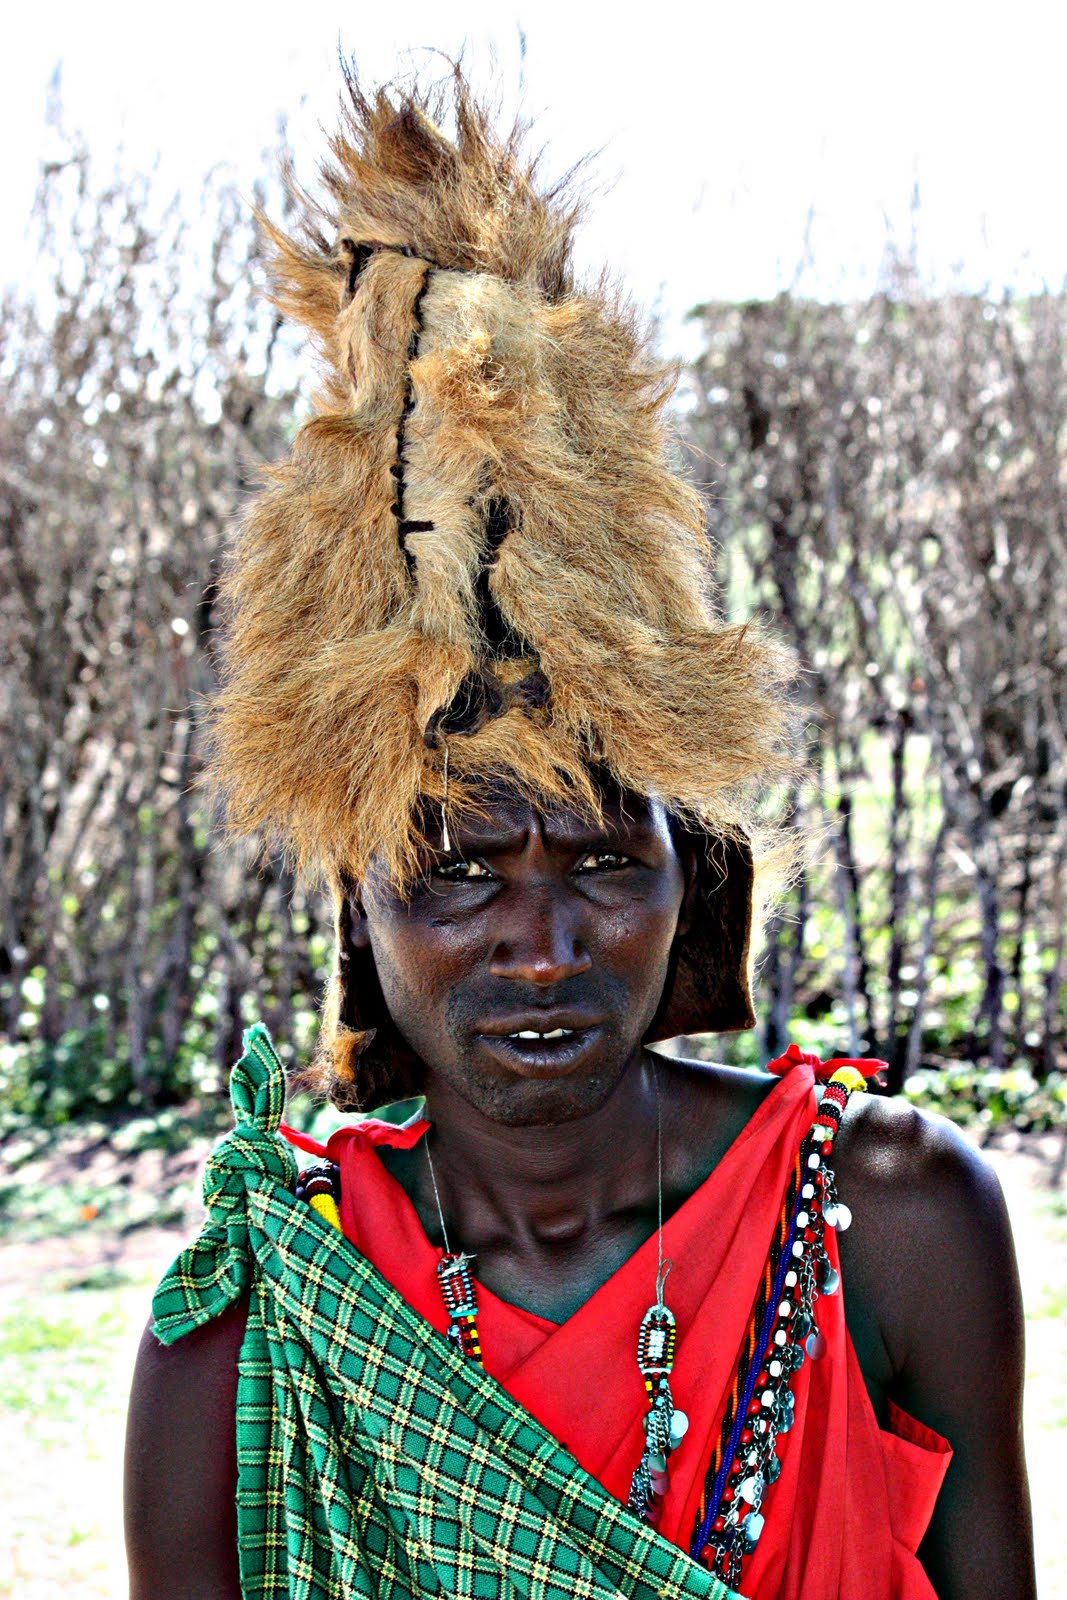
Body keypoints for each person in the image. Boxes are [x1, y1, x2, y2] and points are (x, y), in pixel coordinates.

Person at [123, 66, 1035, 1600]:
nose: (543, 947)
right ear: (359, 905)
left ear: (696, 871)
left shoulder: (887, 1222)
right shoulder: (257, 1324)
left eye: (606, 860)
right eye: (458, 875)